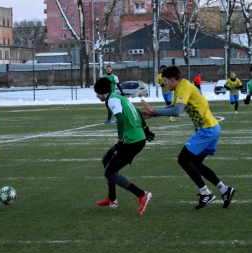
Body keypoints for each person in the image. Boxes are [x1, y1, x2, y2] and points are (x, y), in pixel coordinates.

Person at [141, 66, 235, 210]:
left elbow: (177, 111)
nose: (164, 84)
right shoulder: (179, 88)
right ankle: (224, 189)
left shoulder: (184, 86)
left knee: (183, 159)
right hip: (212, 128)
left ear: (173, 80)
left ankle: (206, 193)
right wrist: (153, 114)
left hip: (207, 129)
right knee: (196, 163)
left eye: (165, 81)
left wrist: (154, 112)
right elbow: (171, 108)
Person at [94, 77, 154, 215]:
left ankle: (141, 195)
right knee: (106, 159)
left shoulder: (112, 100)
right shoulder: (119, 97)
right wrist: (145, 127)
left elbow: (120, 119)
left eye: (97, 93)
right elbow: (136, 111)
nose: (97, 96)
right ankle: (112, 199)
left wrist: (120, 140)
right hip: (133, 139)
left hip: (132, 141)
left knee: (109, 172)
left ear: (102, 92)